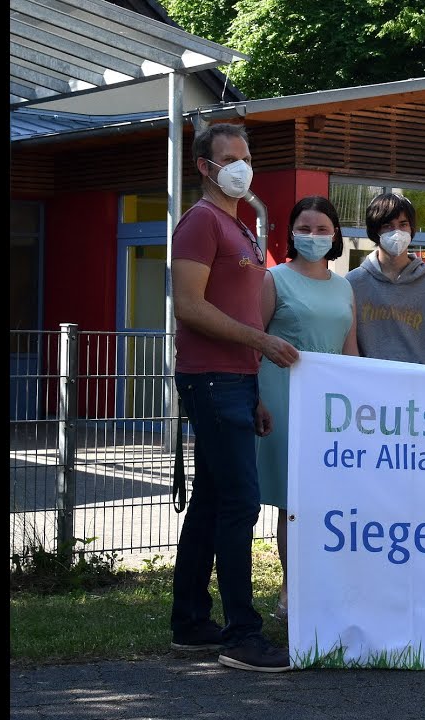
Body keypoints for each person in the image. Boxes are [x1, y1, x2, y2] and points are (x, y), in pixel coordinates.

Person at [170, 122, 297, 672]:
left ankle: (191, 623)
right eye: (229, 158)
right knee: (240, 504)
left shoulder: (239, 225)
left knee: (210, 500)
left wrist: (255, 391)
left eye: (246, 156)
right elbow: (189, 305)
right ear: (205, 166)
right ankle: (242, 635)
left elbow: (236, 306)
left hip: (236, 382)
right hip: (210, 378)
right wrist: (261, 342)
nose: (242, 166)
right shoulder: (201, 222)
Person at [256, 196, 359, 621]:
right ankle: (290, 591)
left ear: (335, 235)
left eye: (321, 229)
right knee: (292, 500)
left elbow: (351, 350)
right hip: (283, 396)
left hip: (332, 405)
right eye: (305, 228)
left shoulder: (344, 285)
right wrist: (255, 398)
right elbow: (255, 341)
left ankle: (325, 587)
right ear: (292, 232)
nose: (313, 236)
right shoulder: (273, 279)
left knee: (327, 499)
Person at [346, 192, 425, 365]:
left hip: (418, 379)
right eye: (388, 226)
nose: (397, 232)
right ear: (375, 230)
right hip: (368, 379)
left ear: (411, 228)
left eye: (403, 224)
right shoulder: (354, 282)